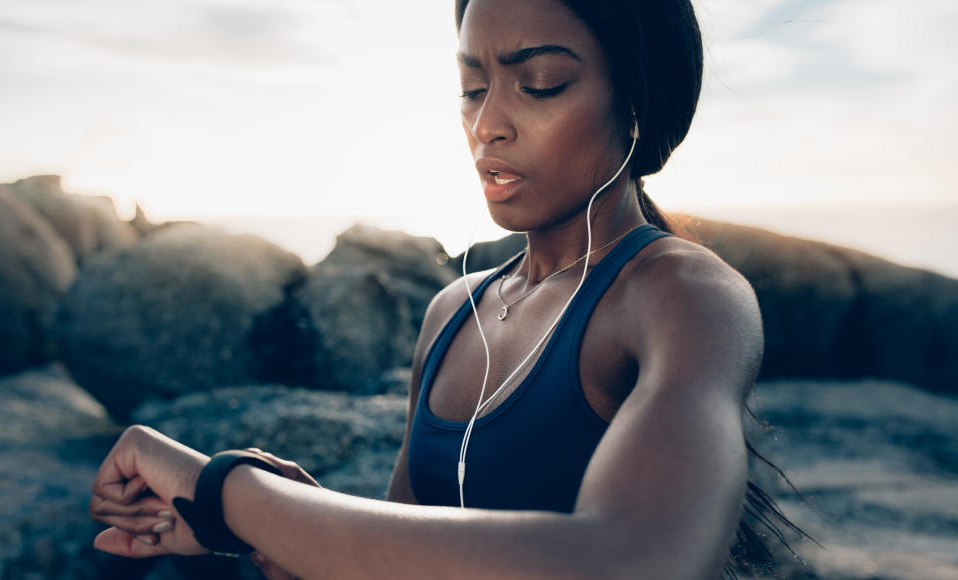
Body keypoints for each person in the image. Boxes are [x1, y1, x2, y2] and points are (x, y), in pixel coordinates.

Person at [89, 0, 791, 577]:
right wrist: (268, 524)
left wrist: (231, 493)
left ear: (636, 101)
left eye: (540, 82)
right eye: (472, 88)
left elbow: (639, 560)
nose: (488, 125)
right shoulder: (454, 311)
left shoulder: (684, 294)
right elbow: (413, 553)